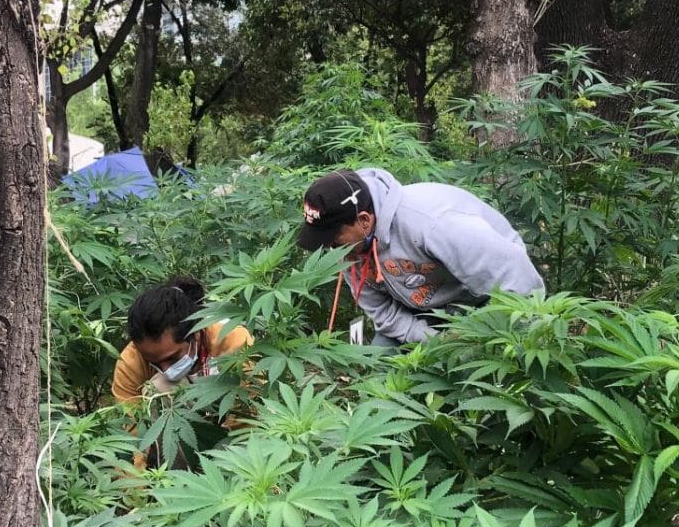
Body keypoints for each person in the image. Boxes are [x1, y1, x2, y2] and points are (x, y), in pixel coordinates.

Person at [296, 168, 544, 346]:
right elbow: (381, 311)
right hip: (420, 315)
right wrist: (435, 341)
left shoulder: (432, 223)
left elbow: (518, 281)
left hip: (481, 305)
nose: (330, 248)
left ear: (364, 220)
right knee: (378, 368)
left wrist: (479, 336)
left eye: (333, 238)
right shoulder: (348, 250)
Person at [111, 276, 254, 405]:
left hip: (228, 414)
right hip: (166, 422)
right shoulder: (130, 360)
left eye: (172, 358)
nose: (166, 370)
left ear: (195, 333)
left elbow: (252, 402)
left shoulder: (232, 338)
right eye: (155, 363)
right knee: (160, 387)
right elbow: (129, 419)